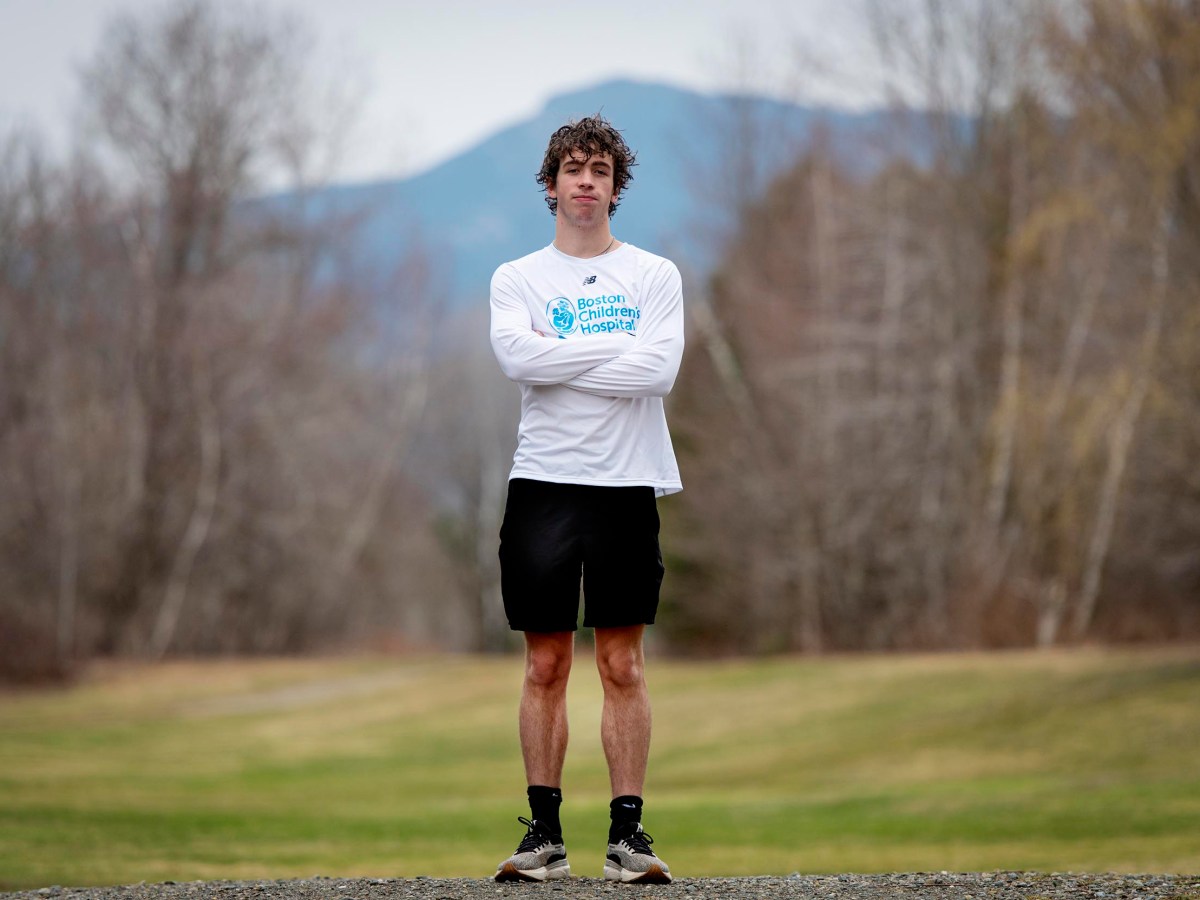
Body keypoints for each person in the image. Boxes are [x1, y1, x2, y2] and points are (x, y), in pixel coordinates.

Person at [488, 115, 684, 884]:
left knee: (622, 664)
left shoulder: (655, 275)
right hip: (543, 485)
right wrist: (614, 352)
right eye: (573, 169)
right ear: (551, 184)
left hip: (625, 485)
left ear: (614, 186)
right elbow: (513, 356)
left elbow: (658, 372)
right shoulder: (517, 278)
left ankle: (627, 839)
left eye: (599, 170)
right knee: (543, 665)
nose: (585, 182)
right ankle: (543, 835)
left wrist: (557, 358)